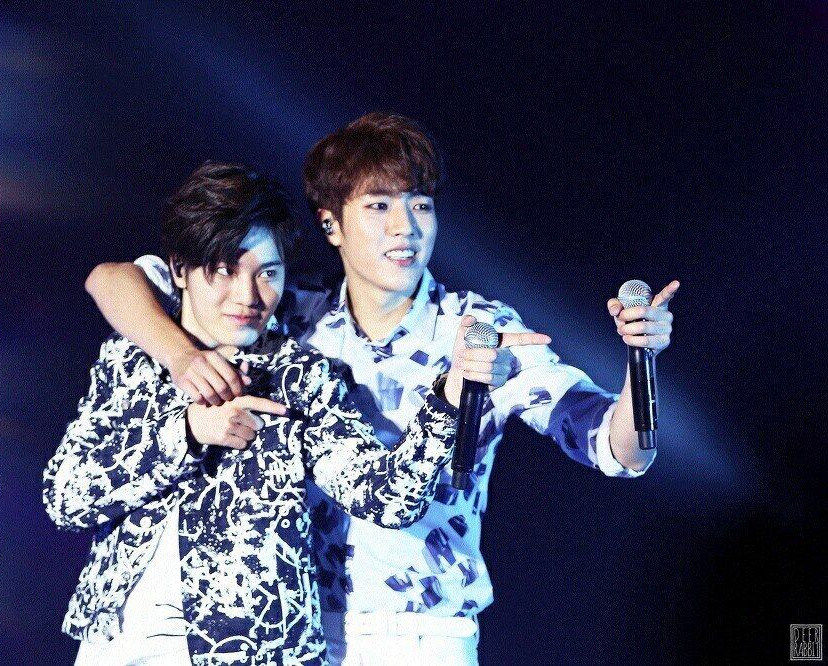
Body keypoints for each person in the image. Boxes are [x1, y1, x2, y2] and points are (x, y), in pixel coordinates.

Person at [84, 113, 680, 665]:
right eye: (378, 205)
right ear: (331, 224)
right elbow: (113, 280)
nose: (405, 227)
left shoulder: (479, 330)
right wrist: (182, 357)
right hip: (296, 636)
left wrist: (642, 362)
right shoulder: (286, 314)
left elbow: (618, 448)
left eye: (421, 205)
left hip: (420, 635)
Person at [43, 161, 496, 665]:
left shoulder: (298, 375)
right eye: (225, 269)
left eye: (269, 273)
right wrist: (186, 433)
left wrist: (449, 397)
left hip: (247, 649)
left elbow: (389, 500)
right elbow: (65, 498)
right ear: (179, 270)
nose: (249, 295)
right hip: (117, 643)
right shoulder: (134, 355)